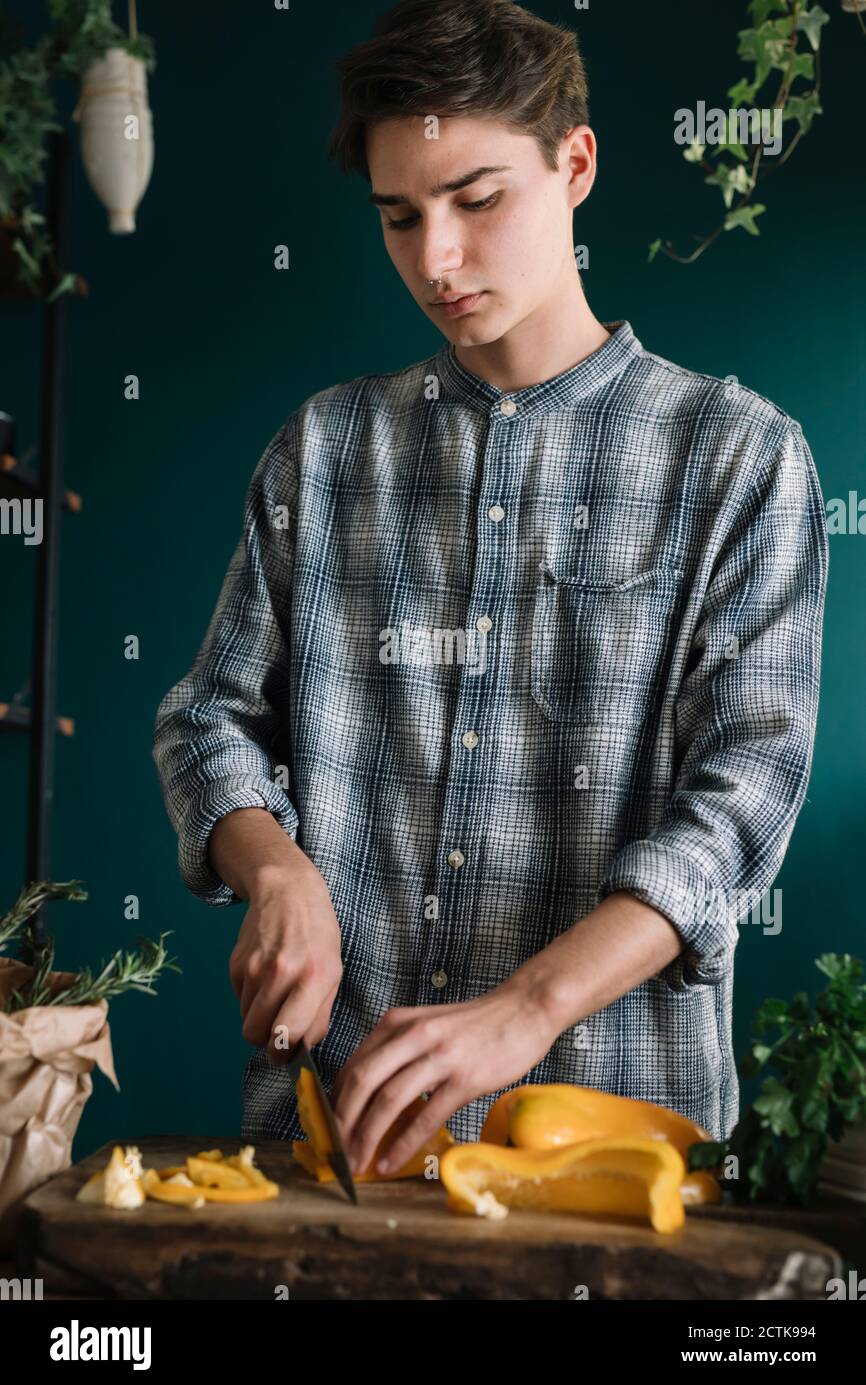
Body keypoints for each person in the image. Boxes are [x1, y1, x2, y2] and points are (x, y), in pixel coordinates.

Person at [152, 0, 828, 1179]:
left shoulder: (736, 455)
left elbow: (740, 802)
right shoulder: (322, 450)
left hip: (615, 1153)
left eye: (476, 199)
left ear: (574, 164)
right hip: (334, 1149)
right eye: (400, 217)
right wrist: (276, 869)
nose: (437, 260)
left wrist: (526, 1009)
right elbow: (208, 719)